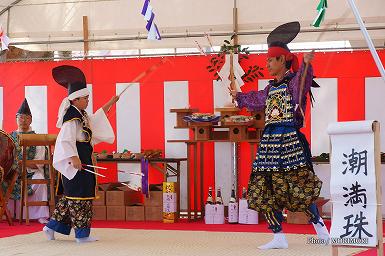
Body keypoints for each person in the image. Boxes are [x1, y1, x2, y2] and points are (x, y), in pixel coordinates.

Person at [230, 22, 329, 249]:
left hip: (290, 141)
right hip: (269, 144)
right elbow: (255, 99)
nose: (266, 64)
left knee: (298, 185)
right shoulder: (270, 89)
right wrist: (238, 96)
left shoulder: (293, 84)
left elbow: (303, 82)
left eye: (270, 60)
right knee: (267, 186)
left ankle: (321, 228)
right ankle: (278, 235)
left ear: (282, 60)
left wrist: (304, 65)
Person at [43, 65, 119, 243]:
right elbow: (65, 140)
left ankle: (51, 226)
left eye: (88, 98)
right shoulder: (72, 117)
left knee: (74, 196)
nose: (87, 101)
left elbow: (95, 119)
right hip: (75, 162)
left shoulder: (82, 114)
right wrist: (74, 158)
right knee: (79, 197)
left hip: (83, 160)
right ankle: (81, 235)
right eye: (85, 98)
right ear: (75, 100)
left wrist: (111, 102)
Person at [3, 99, 49, 224]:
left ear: (31, 120)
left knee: (40, 180)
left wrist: (23, 163)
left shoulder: (37, 139)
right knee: (2, 179)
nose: (23, 120)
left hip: (31, 171)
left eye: (26, 118)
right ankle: (7, 214)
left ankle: (40, 215)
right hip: (12, 172)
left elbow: (39, 163)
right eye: (21, 117)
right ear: (16, 119)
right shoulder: (9, 137)